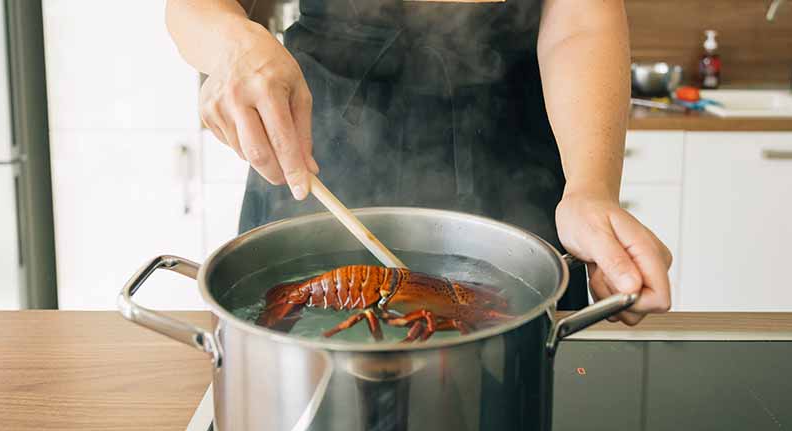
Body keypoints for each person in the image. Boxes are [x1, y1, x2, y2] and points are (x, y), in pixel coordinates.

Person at [165, 0, 671, 322]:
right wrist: (234, 44)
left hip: (512, 144)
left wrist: (589, 189)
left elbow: (581, 18)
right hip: (325, 140)